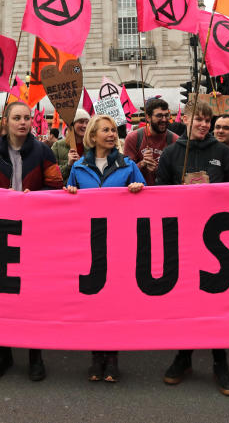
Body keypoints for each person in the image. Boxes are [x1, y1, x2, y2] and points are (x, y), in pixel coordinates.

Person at [155, 101, 229, 396]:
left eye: (208, 120)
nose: (204, 124)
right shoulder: (171, 152)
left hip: (218, 241)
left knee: (217, 303)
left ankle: (220, 362)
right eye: (199, 119)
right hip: (184, 237)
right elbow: (159, 189)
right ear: (186, 120)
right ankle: (184, 356)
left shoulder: (223, 152)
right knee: (187, 301)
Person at [0, 101, 63, 381]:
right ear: (6, 121)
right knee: (3, 296)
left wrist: (34, 198)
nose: (23, 122)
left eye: (27, 118)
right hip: (2, 232)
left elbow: (56, 187)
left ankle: (35, 355)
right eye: (17, 118)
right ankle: (3, 353)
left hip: (35, 233)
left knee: (32, 296)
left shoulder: (44, 151)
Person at [64, 115, 145, 382]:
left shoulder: (129, 166)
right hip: (88, 244)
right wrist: (69, 193)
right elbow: (66, 204)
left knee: (113, 302)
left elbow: (149, 199)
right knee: (93, 302)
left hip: (119, 242)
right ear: (93, 135)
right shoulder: (78, 168)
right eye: (106, 130)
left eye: (113, 130)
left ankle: (112, 358)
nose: (112, 134)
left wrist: (139, 188)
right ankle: (95, 356)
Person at [123, 98, 178, 186]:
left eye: (166, 115)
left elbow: (178, 175)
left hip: (165, 194)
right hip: (140, 194)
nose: (164, 119)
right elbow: (125, 173)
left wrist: (159, 169)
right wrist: (142, 163)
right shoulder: (133, 138)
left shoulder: (175, 140)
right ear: (148, 117)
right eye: (159, 116)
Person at [51, 110, 90, 180]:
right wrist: (68, 165)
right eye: (81, 122)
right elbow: (52, 174)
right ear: (72, 124)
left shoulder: (92, 146)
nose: (84, 125)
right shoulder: (57, 146)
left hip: (85, 189)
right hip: (65, 189)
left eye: (87, 122)